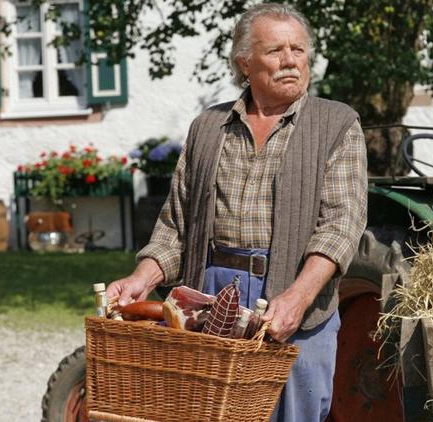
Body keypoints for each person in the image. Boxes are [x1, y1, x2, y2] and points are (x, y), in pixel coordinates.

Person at [106, 3, 367, 421]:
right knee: (205, 414)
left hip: (292, 295)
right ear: (244, 62)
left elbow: (341, 225)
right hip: (210, 293)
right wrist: (142, 278)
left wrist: (298, 298)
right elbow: (175, 226)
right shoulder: (208, 127)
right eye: (275, 50)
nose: (290, 61)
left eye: (298, 50)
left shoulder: (336, 124)